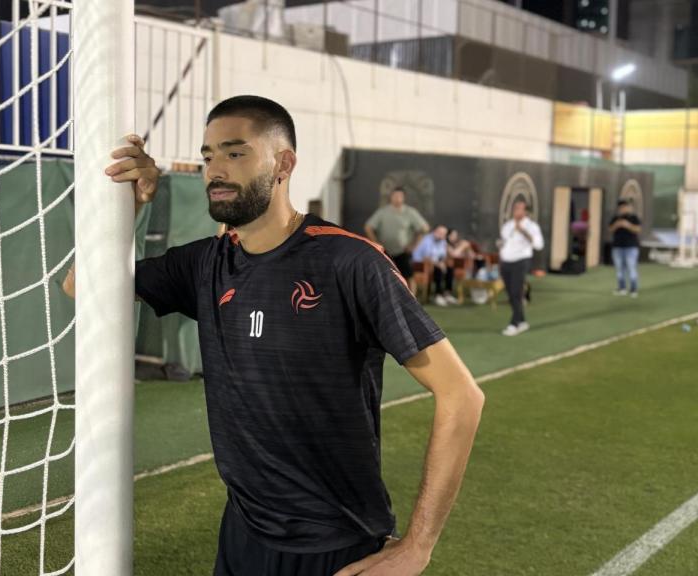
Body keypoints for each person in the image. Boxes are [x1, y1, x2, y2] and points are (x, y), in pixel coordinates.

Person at [73, 95, 484, 576]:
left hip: (337, 547)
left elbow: (462, 396)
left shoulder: (349, 262)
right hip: (243, 537)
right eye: (208, 157)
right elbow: (82, 285)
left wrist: (417, 547)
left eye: (235, 152)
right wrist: (133, 205)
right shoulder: (207, 263)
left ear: (284, 163)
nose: (216, 170)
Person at [364, 187, 430, 294]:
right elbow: (368, 227)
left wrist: (414, 245)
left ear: (403, 198)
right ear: (391, 197)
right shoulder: (383, 212)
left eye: (399, 196)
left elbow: (425, 228)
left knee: (409, 276)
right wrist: (375, 242)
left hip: (403, 251)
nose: (397, 198)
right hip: (385, 252)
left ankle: (412, 301)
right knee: (383, 276)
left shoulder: (410, 212)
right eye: (394, 196)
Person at [498, 200, 544, 336]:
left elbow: (538, 245)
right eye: (515, 208)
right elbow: (505, 240)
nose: (516, 210)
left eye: (519, 208)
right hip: (506, 262)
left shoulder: (532, 226)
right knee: (510, 293)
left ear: (526, 212)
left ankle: (514, 323)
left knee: (516, 292)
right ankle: (522, 321)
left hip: (521, 261)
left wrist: (523, 231)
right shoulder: (507, 226)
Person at [412, 225, 458, 306]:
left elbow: (442, 256)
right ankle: (437, 295)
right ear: (434, 232)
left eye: (444, 233)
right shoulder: (427, 240)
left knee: (449, 267)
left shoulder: (442, 241)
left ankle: (447, 293)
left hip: (432, 263)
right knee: (438, 269)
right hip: (419, 265)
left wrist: (442, 263)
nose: (441, 235)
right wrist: (439, 264)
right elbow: (426, 257)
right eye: (439, 232)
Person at [609, 200, 641, 297]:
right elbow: (610, 229)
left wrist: (627, 225)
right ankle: (622, 288)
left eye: (625, 207)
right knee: (619, 269)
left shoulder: (633, 218)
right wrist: (617, 225)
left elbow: (638, 229)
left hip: (631, 247)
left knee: (631, 268)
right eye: (621, 207)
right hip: (617, 247)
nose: (623, 209)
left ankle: (633, 289)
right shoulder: (615, 218)